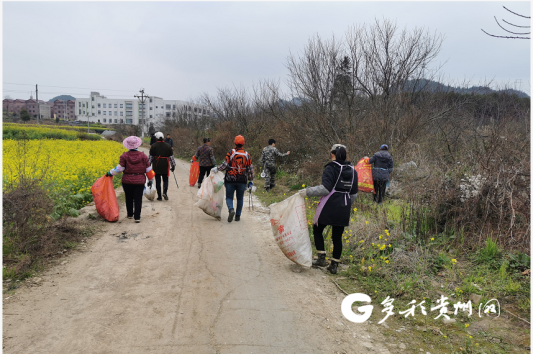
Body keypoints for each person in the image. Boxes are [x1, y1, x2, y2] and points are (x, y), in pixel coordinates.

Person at [299, 144, 358, 274]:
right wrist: (345, 205)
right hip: (344, 206)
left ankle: (321, 258)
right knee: (337, 237)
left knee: (317, 229)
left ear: (332, 154)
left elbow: (326, 188)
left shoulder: (331, 167)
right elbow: (353, 194)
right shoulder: (353, 170)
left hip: (329, 204)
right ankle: (334, 266)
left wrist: (307, 192)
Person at [107, 136, 154, 223]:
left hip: (127, 181)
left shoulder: (124, 156)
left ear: (127, 146)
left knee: (128, 197)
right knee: (138, 198)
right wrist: (151, 180)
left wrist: (110, 173)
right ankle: (137, 217)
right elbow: (148, 170)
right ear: (137, 145)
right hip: (140, 180)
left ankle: (129, 214)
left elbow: (120, 169)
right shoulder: (143, 156)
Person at [212, 135, 254, 223]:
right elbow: (250, 168)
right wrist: (251, 180)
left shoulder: (231, 152)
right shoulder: (247, 155)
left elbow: (225, 165)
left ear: (235, 142)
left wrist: (217, 169)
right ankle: (238, 216)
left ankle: (231, 210)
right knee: (240, 198)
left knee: (229, 197)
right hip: (242, 180)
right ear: (243, 143)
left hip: (230, 179)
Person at [149, 132, 176, 201]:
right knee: (165, 180)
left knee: (158, 181)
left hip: (156, 165)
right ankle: (165, 193)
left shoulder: (153, 146)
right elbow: (171, 158)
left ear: (156, 138)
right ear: (163, 138)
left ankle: (159, 196)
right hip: (165, 164)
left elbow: (150, 158)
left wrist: (148, 165)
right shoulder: (168, 146)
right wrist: (173, 165)